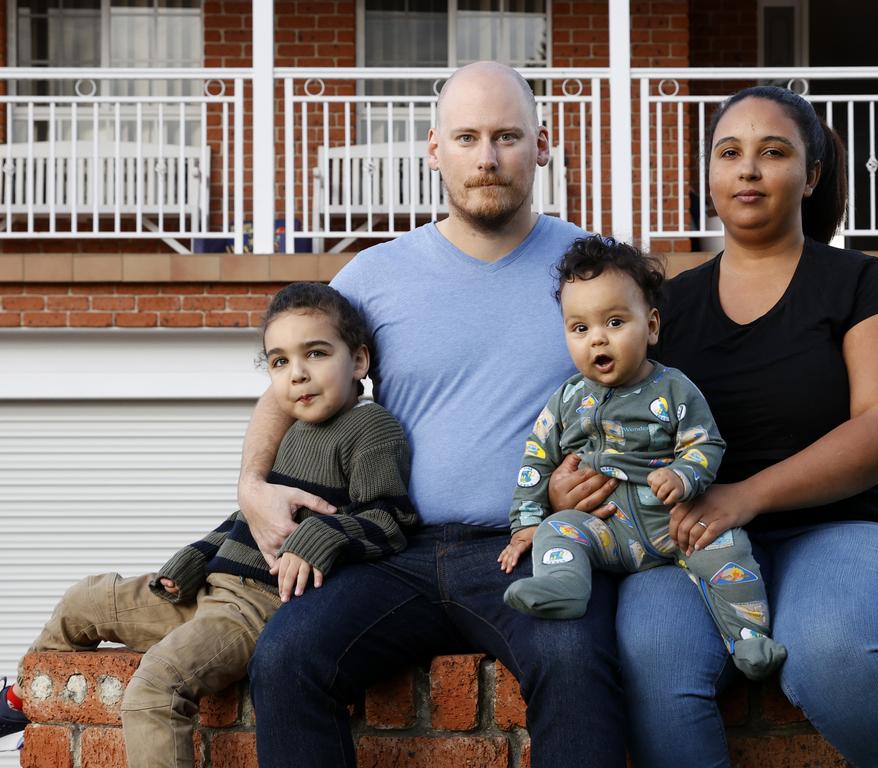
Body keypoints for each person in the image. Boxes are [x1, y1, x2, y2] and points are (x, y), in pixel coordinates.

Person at [240, 62, 627, 768]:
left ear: (542, 144)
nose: (487, 158)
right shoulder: (372, 276)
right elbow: (287, 383)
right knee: (288, 655)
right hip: (395, 551)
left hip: (528, 547)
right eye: (468, 137)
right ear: (433, 149)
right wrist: (251, 486)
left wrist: (600, 477)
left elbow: (645, 392)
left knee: (576, 659)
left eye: (507, 136)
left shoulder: (593, 273)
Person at [552, 85, 878, 767]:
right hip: (689, 544)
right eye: (729, 152)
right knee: (654, 653)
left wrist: (746, 494)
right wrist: (567, 493)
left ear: (811, 174)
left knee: (832, 652)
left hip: (852, 530)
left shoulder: (859, 281)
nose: (748, 169)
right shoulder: (664, 308)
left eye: (774, 152)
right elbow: (612, 426)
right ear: (708, 174)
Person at [0, 282, 416, 767]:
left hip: (254, 609)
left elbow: (391, 520)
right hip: (206, 593)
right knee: (85, 600)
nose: (297, 375)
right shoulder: (291, 428)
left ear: (359, 361)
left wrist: (323, 536)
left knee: (155, 688)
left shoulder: (372, 429)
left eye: (316, 354)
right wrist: (198, 555)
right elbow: (250, 518)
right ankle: (27, 702)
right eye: (279, 361)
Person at [499, 234, 785, 681]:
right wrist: (528, 523)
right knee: (559, 531)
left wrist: (685, 474)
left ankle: (749, 639)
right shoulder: (567, 399)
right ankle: (563, 587)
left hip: (675, 524)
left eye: (614, 322)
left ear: (650, 326)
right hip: (606, 529)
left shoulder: (674, 389)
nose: (598, 340)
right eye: (580, 328)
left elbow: (706, 443)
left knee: (729, 548)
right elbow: (536, 461)